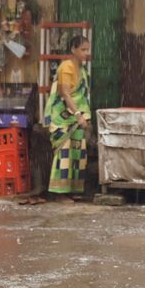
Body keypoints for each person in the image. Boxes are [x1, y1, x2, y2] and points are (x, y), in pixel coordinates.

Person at [45, 34, 92, 197]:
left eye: (88, 50)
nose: (86, 53)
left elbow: (81, 95)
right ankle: (59, 193)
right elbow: (65, 93)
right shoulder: (66, 67)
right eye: (83, 49)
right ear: (73, 49)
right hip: (64, 118)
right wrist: (78, 114)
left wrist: (81, 117)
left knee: (77, 153)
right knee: (64, 154)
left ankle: (73, 190)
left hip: (78, 119)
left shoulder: (82, 70)